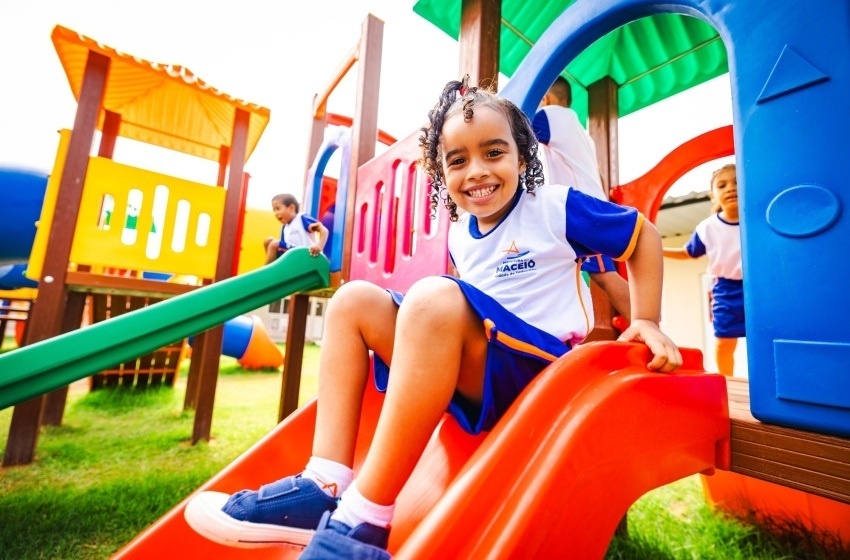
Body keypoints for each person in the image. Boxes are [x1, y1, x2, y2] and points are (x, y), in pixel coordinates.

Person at [183, 76, 682, 558]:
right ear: (442, 174)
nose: (477, 171)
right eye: (458, 160)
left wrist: (648, 320)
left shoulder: (554, 206)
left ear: (523, 156)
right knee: (353, 300)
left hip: (540, 377)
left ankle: (364, 519)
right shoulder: (461, 235)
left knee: (433, 296)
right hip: (480, 376)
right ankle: (325, 481)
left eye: (494, 152)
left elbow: (643, 237)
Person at [532, 75, 632, 324]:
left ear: (545, 98)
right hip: (584, 207)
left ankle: (645, 322)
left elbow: (512, 126)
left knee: (604, 275)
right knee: (571, 270)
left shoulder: (552, 115)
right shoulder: (576, 128)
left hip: (583, 211)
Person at [663, 163, 742, 376]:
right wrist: (657, 249)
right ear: (713, 196)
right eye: (722, 185)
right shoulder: (708, 227)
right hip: (726, 289)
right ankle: (727, 380)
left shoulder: (755, 221)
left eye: (736, 182)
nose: (730, 188)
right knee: (724, 342)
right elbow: (689, 253)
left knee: (762, 339)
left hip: (760, 287)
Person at [264, 193, 329, 264]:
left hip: (307, 254)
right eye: (274, 210)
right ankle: (274, 268)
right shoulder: (284, 227)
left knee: (274, 244)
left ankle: (266, 272)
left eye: (278, 208)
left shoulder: (301, 218)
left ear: (291, 208)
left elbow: (324, 230)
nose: (275, 213)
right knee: (268, 241)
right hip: (292, 256)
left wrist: (319, 246)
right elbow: (282, 248)